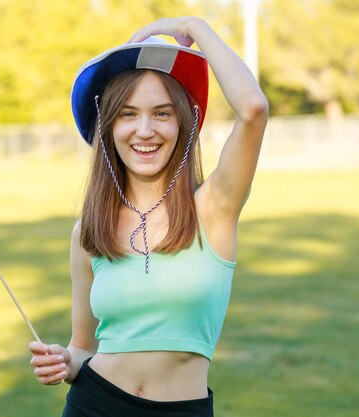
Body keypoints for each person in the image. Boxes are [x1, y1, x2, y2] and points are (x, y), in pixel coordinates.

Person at [29, 16, 268, 417]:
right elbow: (83, 346)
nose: (144, 130)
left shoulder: (213, 208)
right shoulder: (88, 232)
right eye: (127, 114)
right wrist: (64, 362)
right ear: (108, 127)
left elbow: (253, 108)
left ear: (182, 124)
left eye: (161, 113)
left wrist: (195, 26)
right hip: (93, 405)